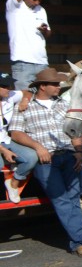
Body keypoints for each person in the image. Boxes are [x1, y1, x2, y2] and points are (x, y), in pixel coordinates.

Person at [7, 68, 82, 256]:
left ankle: (78, 242)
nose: (59, 87)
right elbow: (15, 133)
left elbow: (75, 130)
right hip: (46, 159)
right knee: (61, 200)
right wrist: (37, 147)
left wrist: (79, 150)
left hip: (69, 155)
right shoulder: (25, 106)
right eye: (55, 84)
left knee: (73, 199)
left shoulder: (64, 105)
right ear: (42, 86)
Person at [5, 0, 51, 90]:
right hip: (22, 63)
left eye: (39, 0)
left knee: (44, 98)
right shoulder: (15, 6)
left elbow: (48, 34)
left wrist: (44, 30)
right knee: (25, 98)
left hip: (42, 62)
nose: (37, 3)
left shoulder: (41, 10)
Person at [1, 71, 37, 203]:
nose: (8, 88)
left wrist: (24, 100)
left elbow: (28, 92)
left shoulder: (10, 95)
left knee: (32, 157)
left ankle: (13, 183)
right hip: (2, 146)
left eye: (9, 85)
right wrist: (4, 151)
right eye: (4, 86)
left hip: (6, 140)